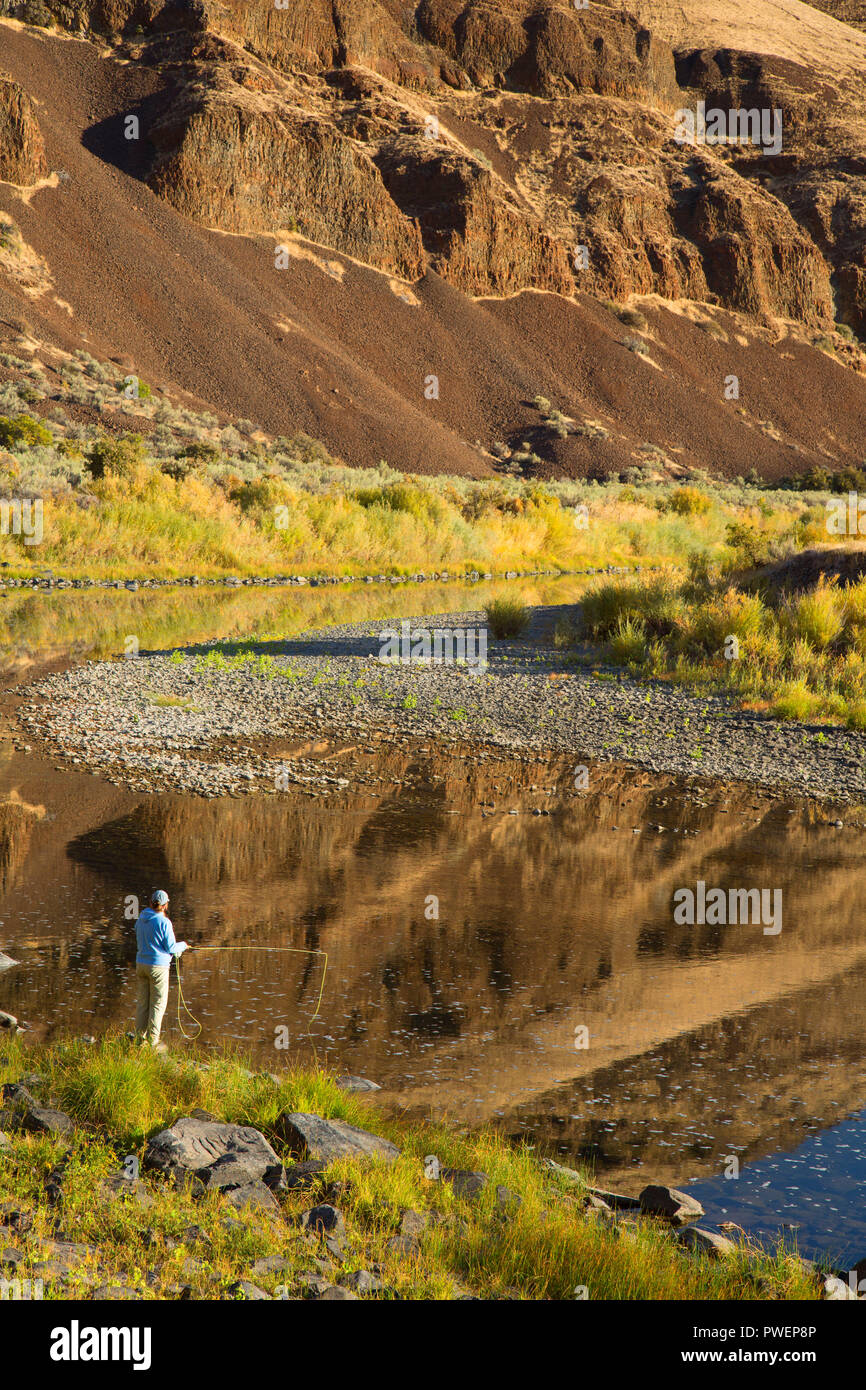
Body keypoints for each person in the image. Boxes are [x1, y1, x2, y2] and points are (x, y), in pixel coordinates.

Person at [134, 889, 188, 1049]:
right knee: (157, 1004)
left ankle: (139, 1039)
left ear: (151, 903)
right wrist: (183, 946)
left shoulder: (140, 918)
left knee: (143, 1003)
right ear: (165, 905)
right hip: (158, 968)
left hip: (141, 965)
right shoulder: (164, 922)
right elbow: (171, 947)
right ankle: (153, 1042)